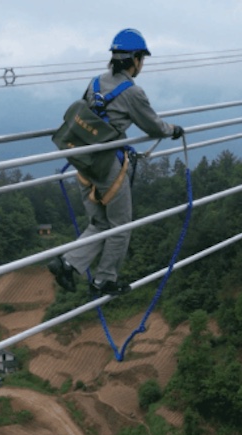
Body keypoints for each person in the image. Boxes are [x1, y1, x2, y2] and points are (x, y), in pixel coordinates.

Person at [49, 28, 184, 296]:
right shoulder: (132, 92)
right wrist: (173, 129)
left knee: (99, 223)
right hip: (108, 166)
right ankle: (104, 281)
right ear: (134, 59)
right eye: (142, 59)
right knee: (121, 226)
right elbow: (154, 126)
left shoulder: (95, 82)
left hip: (84, 161)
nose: (142, 65)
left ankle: (67, 263)